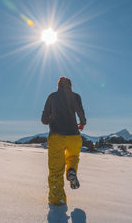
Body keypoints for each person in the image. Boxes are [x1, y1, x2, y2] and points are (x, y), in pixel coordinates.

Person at [41, 76, 86, 206]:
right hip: (74, 137)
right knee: (73, 157)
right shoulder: (75, 96)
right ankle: (71, 170)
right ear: (70, 86)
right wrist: (82, 123)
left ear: (58, 86)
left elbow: (44, 120)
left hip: (56, 136)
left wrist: (52, 118)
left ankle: (57, 200)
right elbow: (81, 114)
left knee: (56, 170)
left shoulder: (52, 97)